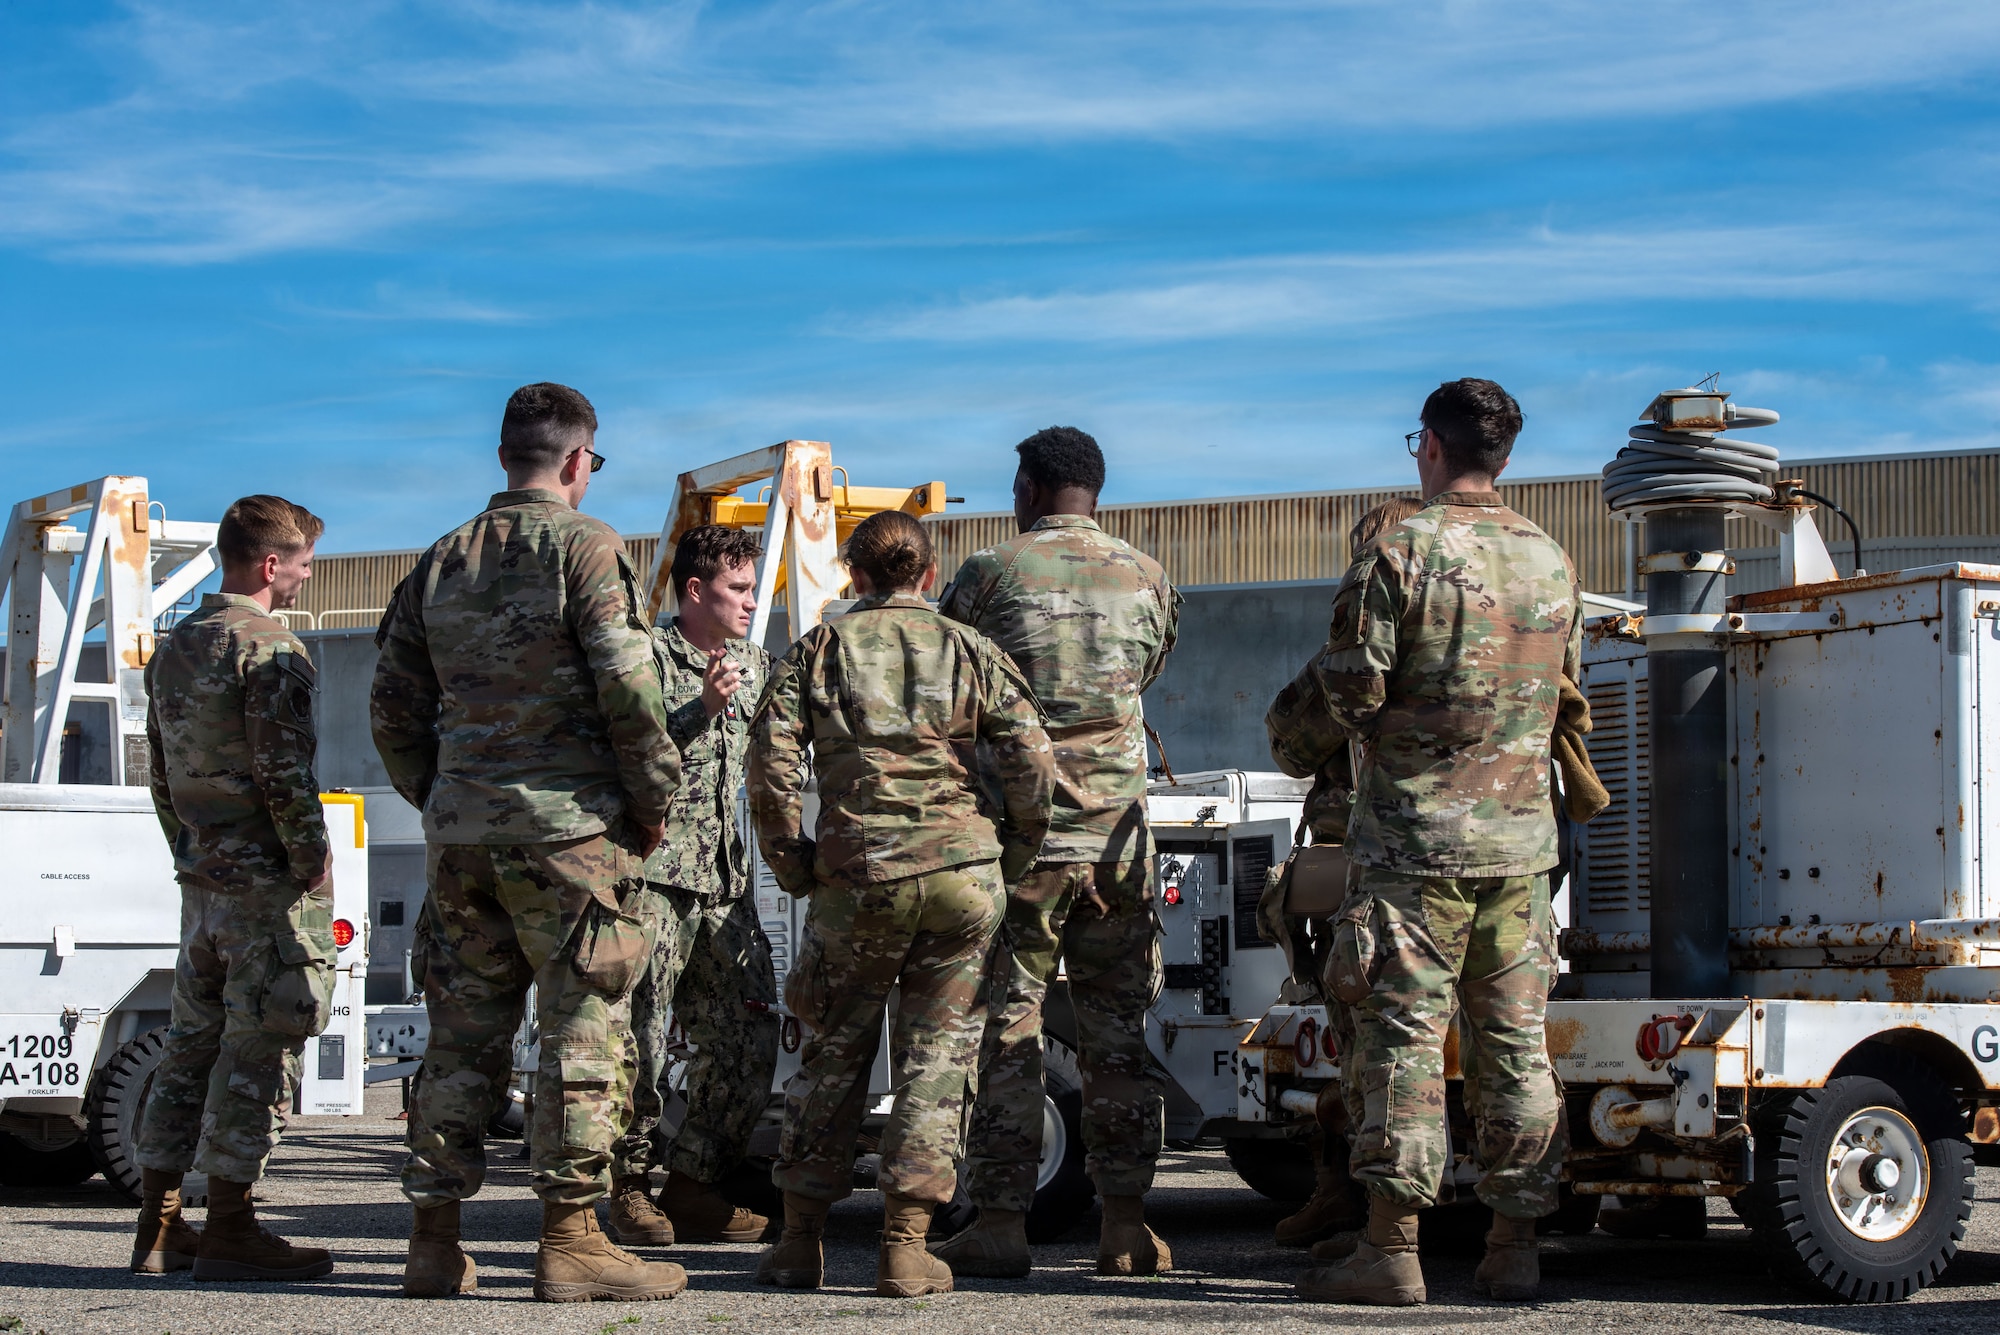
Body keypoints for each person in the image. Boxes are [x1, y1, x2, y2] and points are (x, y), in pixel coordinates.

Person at [372, 382, 686, 1304]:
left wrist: (439, 794)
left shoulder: (440, 558)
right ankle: (572, 1238)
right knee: (583, 1026)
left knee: (462, 1035)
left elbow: (392, 703)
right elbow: (629, 689)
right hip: (569, 834)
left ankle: (433, 1239)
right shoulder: (587, 546)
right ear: (581, 461)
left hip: (464, 834)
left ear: (505, 455)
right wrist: (652, 799)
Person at [1289, 379, 1579, 1307]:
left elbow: (1350, 694)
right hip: (1522, 852)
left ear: (1430, 447)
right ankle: (1514, 1245)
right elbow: (1562, 698)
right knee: (1515, 1048)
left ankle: (1392, 1248)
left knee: (1404, 1045)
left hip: (1416, 848)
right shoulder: (1550, 559)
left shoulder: (1398, 552)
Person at [747, 509, 1054, 1299]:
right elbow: (1032, 761)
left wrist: (796, 864)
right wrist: (1007, 852)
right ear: (928, 572)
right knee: (937, 1060)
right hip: (960, 875)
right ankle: (906, 1247)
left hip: (858, 879)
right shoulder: (971, 649)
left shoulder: (819, 649)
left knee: (833, 1054)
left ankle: (798, 1243)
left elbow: (771, 768)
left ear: (852, 574)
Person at [929, 426, 1181, 1279]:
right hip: (1116, 847)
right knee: (1117, 1038)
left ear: (1030, 488)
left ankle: (1000, 1221)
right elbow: (1149, 667)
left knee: (1008, 1030)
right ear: (1096, 493)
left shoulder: (988, 576)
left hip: (1021, 846)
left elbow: (950, 679)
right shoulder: (1145, 575)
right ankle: (1125, 1226)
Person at [131, 495, 336, 1282]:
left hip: (203, 883)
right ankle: (230, 1227)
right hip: (263, 890)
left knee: (188, 1049)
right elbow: (283, 769)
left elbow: (157, 770)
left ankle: (158, 1227)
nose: (308, 575)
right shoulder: (271, 647)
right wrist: (311, 857)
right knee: (258, 1050)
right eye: (305, 562)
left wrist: (190, 847)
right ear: (270, 563)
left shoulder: (176, 645)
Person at [606, 525, 778, 1248]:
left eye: (751, 588)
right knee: (639, 1037)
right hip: (653, 877)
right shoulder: (644, 657)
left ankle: (697, 1179)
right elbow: (618, 758)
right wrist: (695, 713)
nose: (748, 602)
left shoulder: (754, 663)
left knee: (749, 1025)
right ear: (696, 591)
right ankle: (625, 1190)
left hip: (722, 882)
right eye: (737, 589)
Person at [1261, 494, 1423, 1252]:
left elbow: (1289, 740)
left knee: (1368, 1052)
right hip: (1492, 870)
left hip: (1376, 875)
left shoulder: (1360, 644)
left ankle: (1360, 1213)